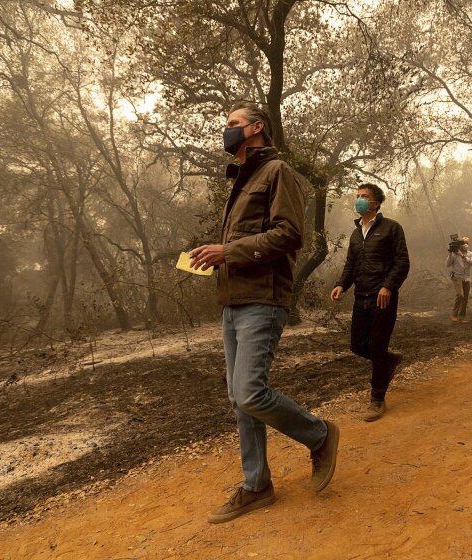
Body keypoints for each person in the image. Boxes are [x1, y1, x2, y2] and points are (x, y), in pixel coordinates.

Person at [190, 101, 339, 524]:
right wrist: (216, 256)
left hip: (263, 299)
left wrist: (228, 250)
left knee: (251, 392)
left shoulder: (278, 173)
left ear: (256, 128)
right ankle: (257, 486)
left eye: (234, 124)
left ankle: (320, 434)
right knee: (240, 400)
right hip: (233, 301)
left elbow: (291, 235)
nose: (227, 129)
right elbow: (245, 240)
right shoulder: (241, 179)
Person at [330, 183, 410, 422]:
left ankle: (377, 399)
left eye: (364, 197)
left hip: (382, 297)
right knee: (357, 345)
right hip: (361, 297)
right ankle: (389, 360)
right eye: (357, 197)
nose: (359, 201)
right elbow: (350, 265)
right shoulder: (356, 233)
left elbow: (402, 262)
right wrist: (341, 284)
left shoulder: (391, 228)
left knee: (376, 347)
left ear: (376, 202)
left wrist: (388, 286)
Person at [445, 236, 472, 322]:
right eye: (463, 243)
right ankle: (454, 314)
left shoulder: (471, 254)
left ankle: (462, 317)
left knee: (465, 297)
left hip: (466, 278)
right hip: (456, 277)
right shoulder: (454, 254)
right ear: (460, 245)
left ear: (468, 244)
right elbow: (447, 264)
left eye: (466, 243)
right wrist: (450, 253)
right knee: (460, 295)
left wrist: (462, 256)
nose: (465, 245)